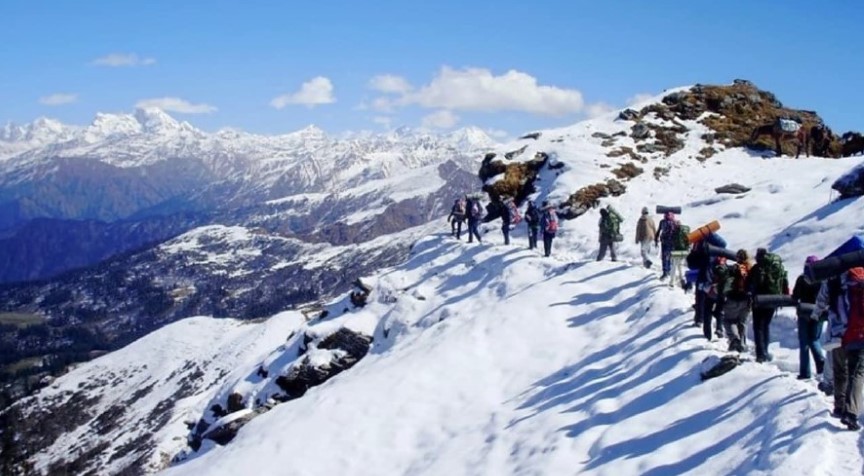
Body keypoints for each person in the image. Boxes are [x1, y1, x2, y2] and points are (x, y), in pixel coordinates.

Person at [813, 267, 864, 430]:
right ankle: (850, 411)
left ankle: (840, 406)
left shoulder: (832, 278)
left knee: (840, 370)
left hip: (837, 331)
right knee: (856, 372)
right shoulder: (860, 277)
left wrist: (815, 315)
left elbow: (821, 300)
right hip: (858, 332)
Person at [748, 247, 789, 363]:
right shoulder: (777, 267)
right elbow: (785, 283)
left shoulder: (757, 268)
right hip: (774, 300)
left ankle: (761, 355)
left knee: (758, 327)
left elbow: (749, 283)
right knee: (765, 326)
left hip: (759, 301)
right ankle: (765, 350)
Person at [792, 255, 826, 380]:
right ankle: (821, 362)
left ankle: (805, 373)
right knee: (814, 339)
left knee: (804, 343)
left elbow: (795, 296)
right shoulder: (823, 279)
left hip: (803, 313)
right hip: (819, 313)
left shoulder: (802, 279)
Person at [719, 249, 752, 352]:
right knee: (742, 322)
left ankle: (734, 339)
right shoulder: (751, 268)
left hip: (733, 299)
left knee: (729, 321)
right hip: (747, 300)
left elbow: (724, 280)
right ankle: (742, 344)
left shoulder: (733, 268)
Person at [656, 212, 679, 280]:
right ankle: (670, 271)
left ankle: (665, 272)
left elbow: (658, 231)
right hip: (672, 242)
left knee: (664, 257)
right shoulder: (675, 222)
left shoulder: (662, 222)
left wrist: (656, 239)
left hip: (665, 242)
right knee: (670, 257)